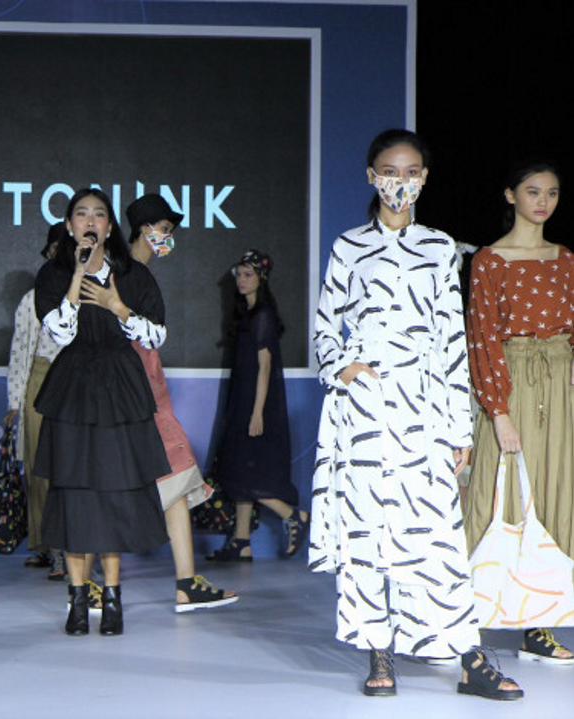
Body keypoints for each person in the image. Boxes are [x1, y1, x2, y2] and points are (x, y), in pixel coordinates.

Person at [310, 129, 523, 700]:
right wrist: (345, 369)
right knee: (367, 531)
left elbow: (452, 341)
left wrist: (458, 426)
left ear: (424, 179)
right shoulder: (348, 246)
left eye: (410, 173)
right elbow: (325, 329)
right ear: (371, 175)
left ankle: (466, 657)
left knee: (436, 535)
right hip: (363, 411)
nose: (398, 182)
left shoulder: (438, 248)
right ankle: (378, 651)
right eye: (389, 171)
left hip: (424, 408)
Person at [34, 188, 170, 636]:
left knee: (113, 491)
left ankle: (112, 598)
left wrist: (118, 307)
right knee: (75, 494)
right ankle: (77, 600)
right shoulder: (53, 274)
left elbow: (156, 335)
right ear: (70, 225)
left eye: (98, 214)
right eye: (81, 214)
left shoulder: (131, 274)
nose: (90, 221)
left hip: (119, 387)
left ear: (110, 227)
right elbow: (58, 332)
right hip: (73, 388)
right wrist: (77, 273)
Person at [465, 160, 574, 664]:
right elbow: (482, 336)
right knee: (498, 494)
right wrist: (498, 410)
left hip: (560, 380)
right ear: (511, 195)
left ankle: (540, 625)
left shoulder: (564, 258)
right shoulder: (490, 260)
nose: (543, 201)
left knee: (554, 494)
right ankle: (467, 622)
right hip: (511, 379)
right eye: (533, 191)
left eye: (551, 193)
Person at [122, 194, 237, 611]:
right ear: (144, 228)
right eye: (165, 230)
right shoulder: (123, 273)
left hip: (148, 392)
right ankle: (85, 586)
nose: (168, 239)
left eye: (170, 232)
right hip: (131, 396)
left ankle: (186, 582)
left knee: (175, 477)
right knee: (132, 479)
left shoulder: (139, 274)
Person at [207, 249, 307, 561]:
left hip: (255, 407)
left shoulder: (262, 316)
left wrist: (256, 413)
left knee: (244, 474)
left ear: (261, 278)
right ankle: (241, 542)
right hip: (243, 404)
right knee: (238, 472)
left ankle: (293, 515)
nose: (242, 280)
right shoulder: (248, 315)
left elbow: (265, 368)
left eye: (248, 275)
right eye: (239, 274)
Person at [4, 223, 64, 580]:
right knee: (39, 469)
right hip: (40, 382)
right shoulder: (32, 298)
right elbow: (20, 349)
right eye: (55, 248)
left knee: (68, 470)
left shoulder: (90, 294)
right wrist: (15, 401)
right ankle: (46, 546)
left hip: (76, 382)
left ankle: (69, 548)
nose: (60, 254)